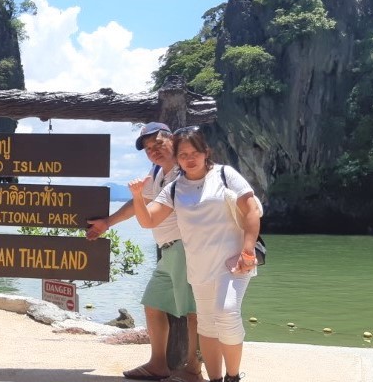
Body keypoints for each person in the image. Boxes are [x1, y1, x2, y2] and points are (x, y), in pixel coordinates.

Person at [130, 126, 261, 382]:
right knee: (207, 326)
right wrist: (137, 197)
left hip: (233, 262)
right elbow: (148, 221)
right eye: (184, 155)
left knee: (226, 312)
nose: (190, 158)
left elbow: (252, 210)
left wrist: (247, 250)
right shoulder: (175, 188)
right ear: (177, 159)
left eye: (195, 152)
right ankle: (215, 379)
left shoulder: (225, 175)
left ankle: (232, 377)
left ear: (205, 152)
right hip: (199, 267)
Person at [87, 122, 202, 382]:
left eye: (158, 144)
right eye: (148, 148)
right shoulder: (157, 172)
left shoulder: (187, 171)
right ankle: (158, 364)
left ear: (172, 139)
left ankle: (194, 369)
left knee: (190, 310)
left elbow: (147, 214)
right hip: (168, 250)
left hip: (187, 247)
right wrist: (108, 222)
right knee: (153, 303)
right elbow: (138, 204)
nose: (153, 151)